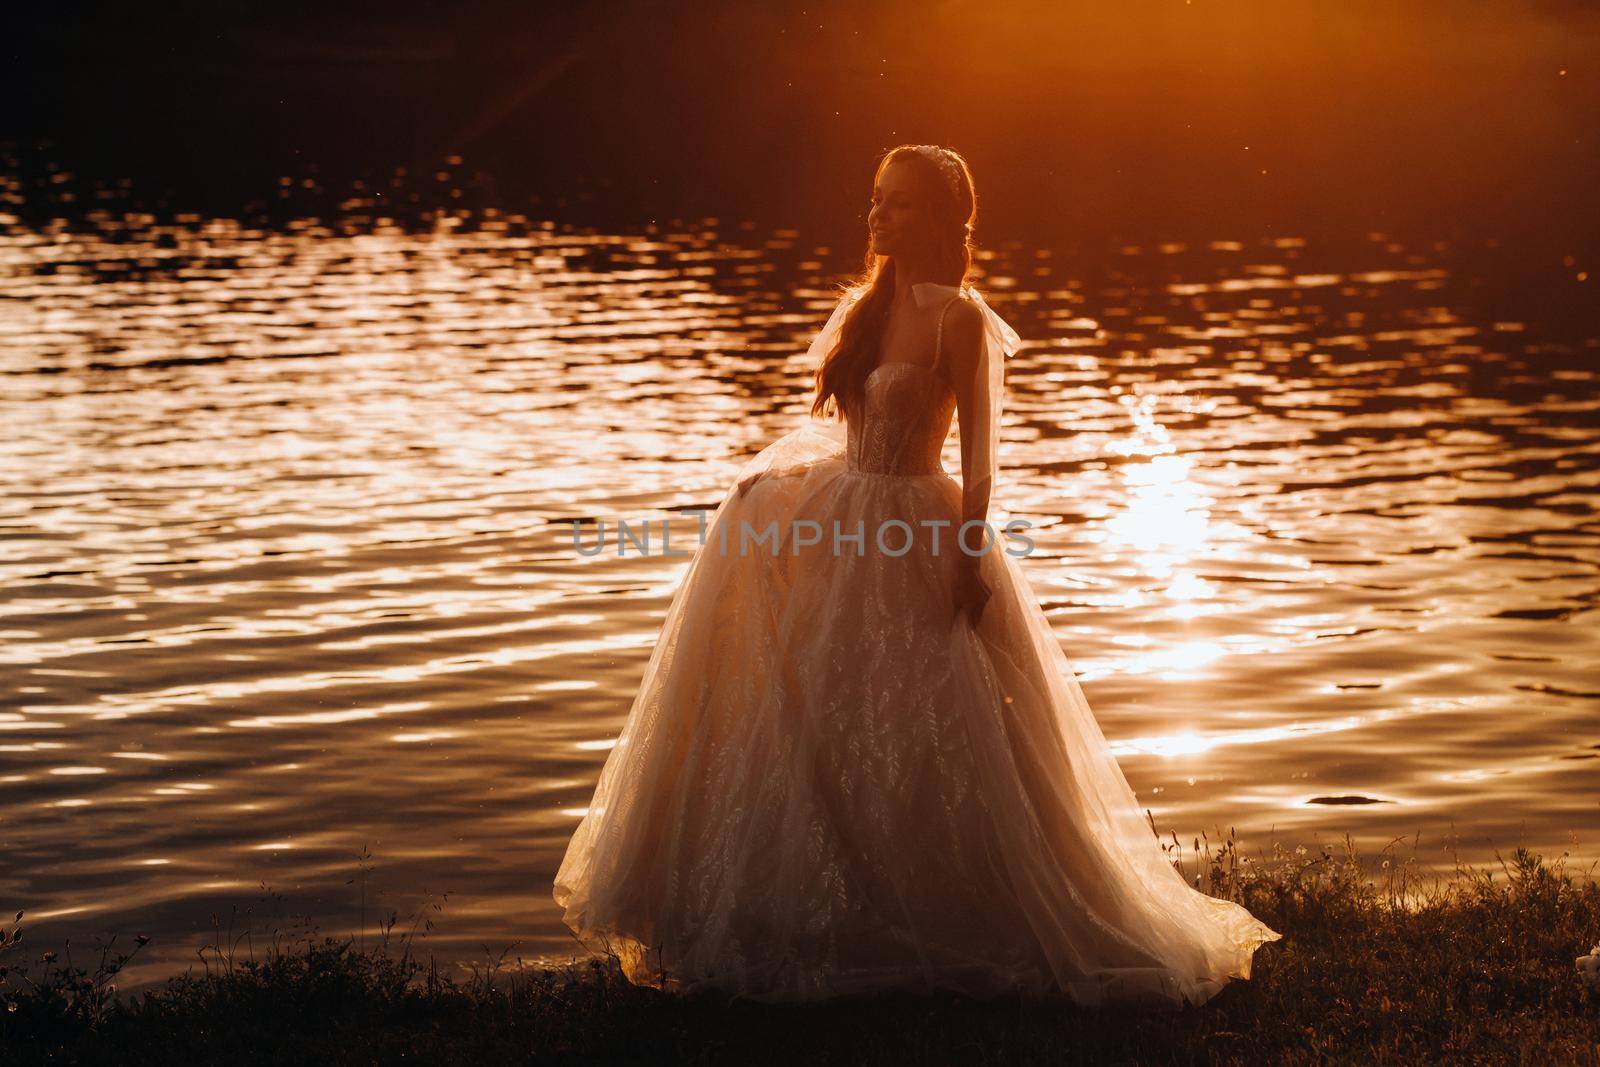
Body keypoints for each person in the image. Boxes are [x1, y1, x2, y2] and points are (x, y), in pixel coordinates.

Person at [553, 143, 1280, 1006]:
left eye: (898, 203)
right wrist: (778, 486)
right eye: (876, 199)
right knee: (824, 719)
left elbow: (979, 469)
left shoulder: (959, 321)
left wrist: (970, 558)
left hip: (919, 532)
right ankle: (821, 913)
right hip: (847, 524)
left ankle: (956, 917)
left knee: (939, 731)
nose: (878, 215)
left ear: (938, 218)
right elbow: (845, 436)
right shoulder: (865, 308)